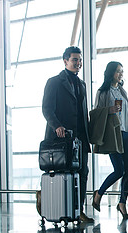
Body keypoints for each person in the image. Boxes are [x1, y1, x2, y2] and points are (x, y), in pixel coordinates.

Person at [42, 46, 94, 223]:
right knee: (61, 174)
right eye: (74, 60)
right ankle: (58, 207)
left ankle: (78, 210)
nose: (78, 63)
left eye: (80, 60)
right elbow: (47, 109)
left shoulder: (82, 85)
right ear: (65, 61)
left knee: (83, 172)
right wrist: (57, 126)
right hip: (61, 138)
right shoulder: (54, 82)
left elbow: (83, 112)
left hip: (80, 138)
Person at [92, 61, 128, 219]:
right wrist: (109, 110)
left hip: (126, 134)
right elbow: (96, 113)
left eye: (122, 71)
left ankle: (122, 203)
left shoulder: (122, 91)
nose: (120, 74)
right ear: (111, 73)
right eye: (117, 71)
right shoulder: (103, 92)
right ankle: (99, 193)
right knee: (119, 170)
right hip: (113, 136)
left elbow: (127, 117)